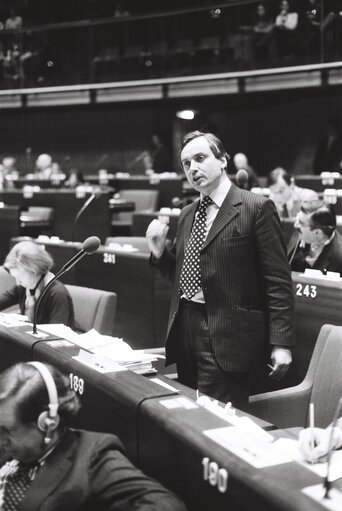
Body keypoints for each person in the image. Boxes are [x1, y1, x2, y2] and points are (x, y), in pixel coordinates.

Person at [146, 131, 295, 409]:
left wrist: (281, 343)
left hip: (229, 334)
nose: (193, 168)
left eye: (200, 158)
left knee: (217, 421)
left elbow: (277, 281)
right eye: (187, 164)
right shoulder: (188, 213)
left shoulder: (256, 207)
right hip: (186, 328)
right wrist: (158, 252)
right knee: (191, 416)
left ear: (223, 160)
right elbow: (184, 276)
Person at [0, 361, 186, 510]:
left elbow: (166, 505)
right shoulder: (10, 445)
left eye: (7, 430)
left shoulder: (92, 456)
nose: (0, 439)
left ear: (48, 423)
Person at [0, 241, 74, 327]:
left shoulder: (57, 293)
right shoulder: (24, 287)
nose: (18, 282)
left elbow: (58, 333)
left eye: (20, 277)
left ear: (35, 270)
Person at [288, 202, 342, 275]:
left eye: (300, 223)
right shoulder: (297, 232)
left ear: (317, 233)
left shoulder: (339, 257)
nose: (295, 225)